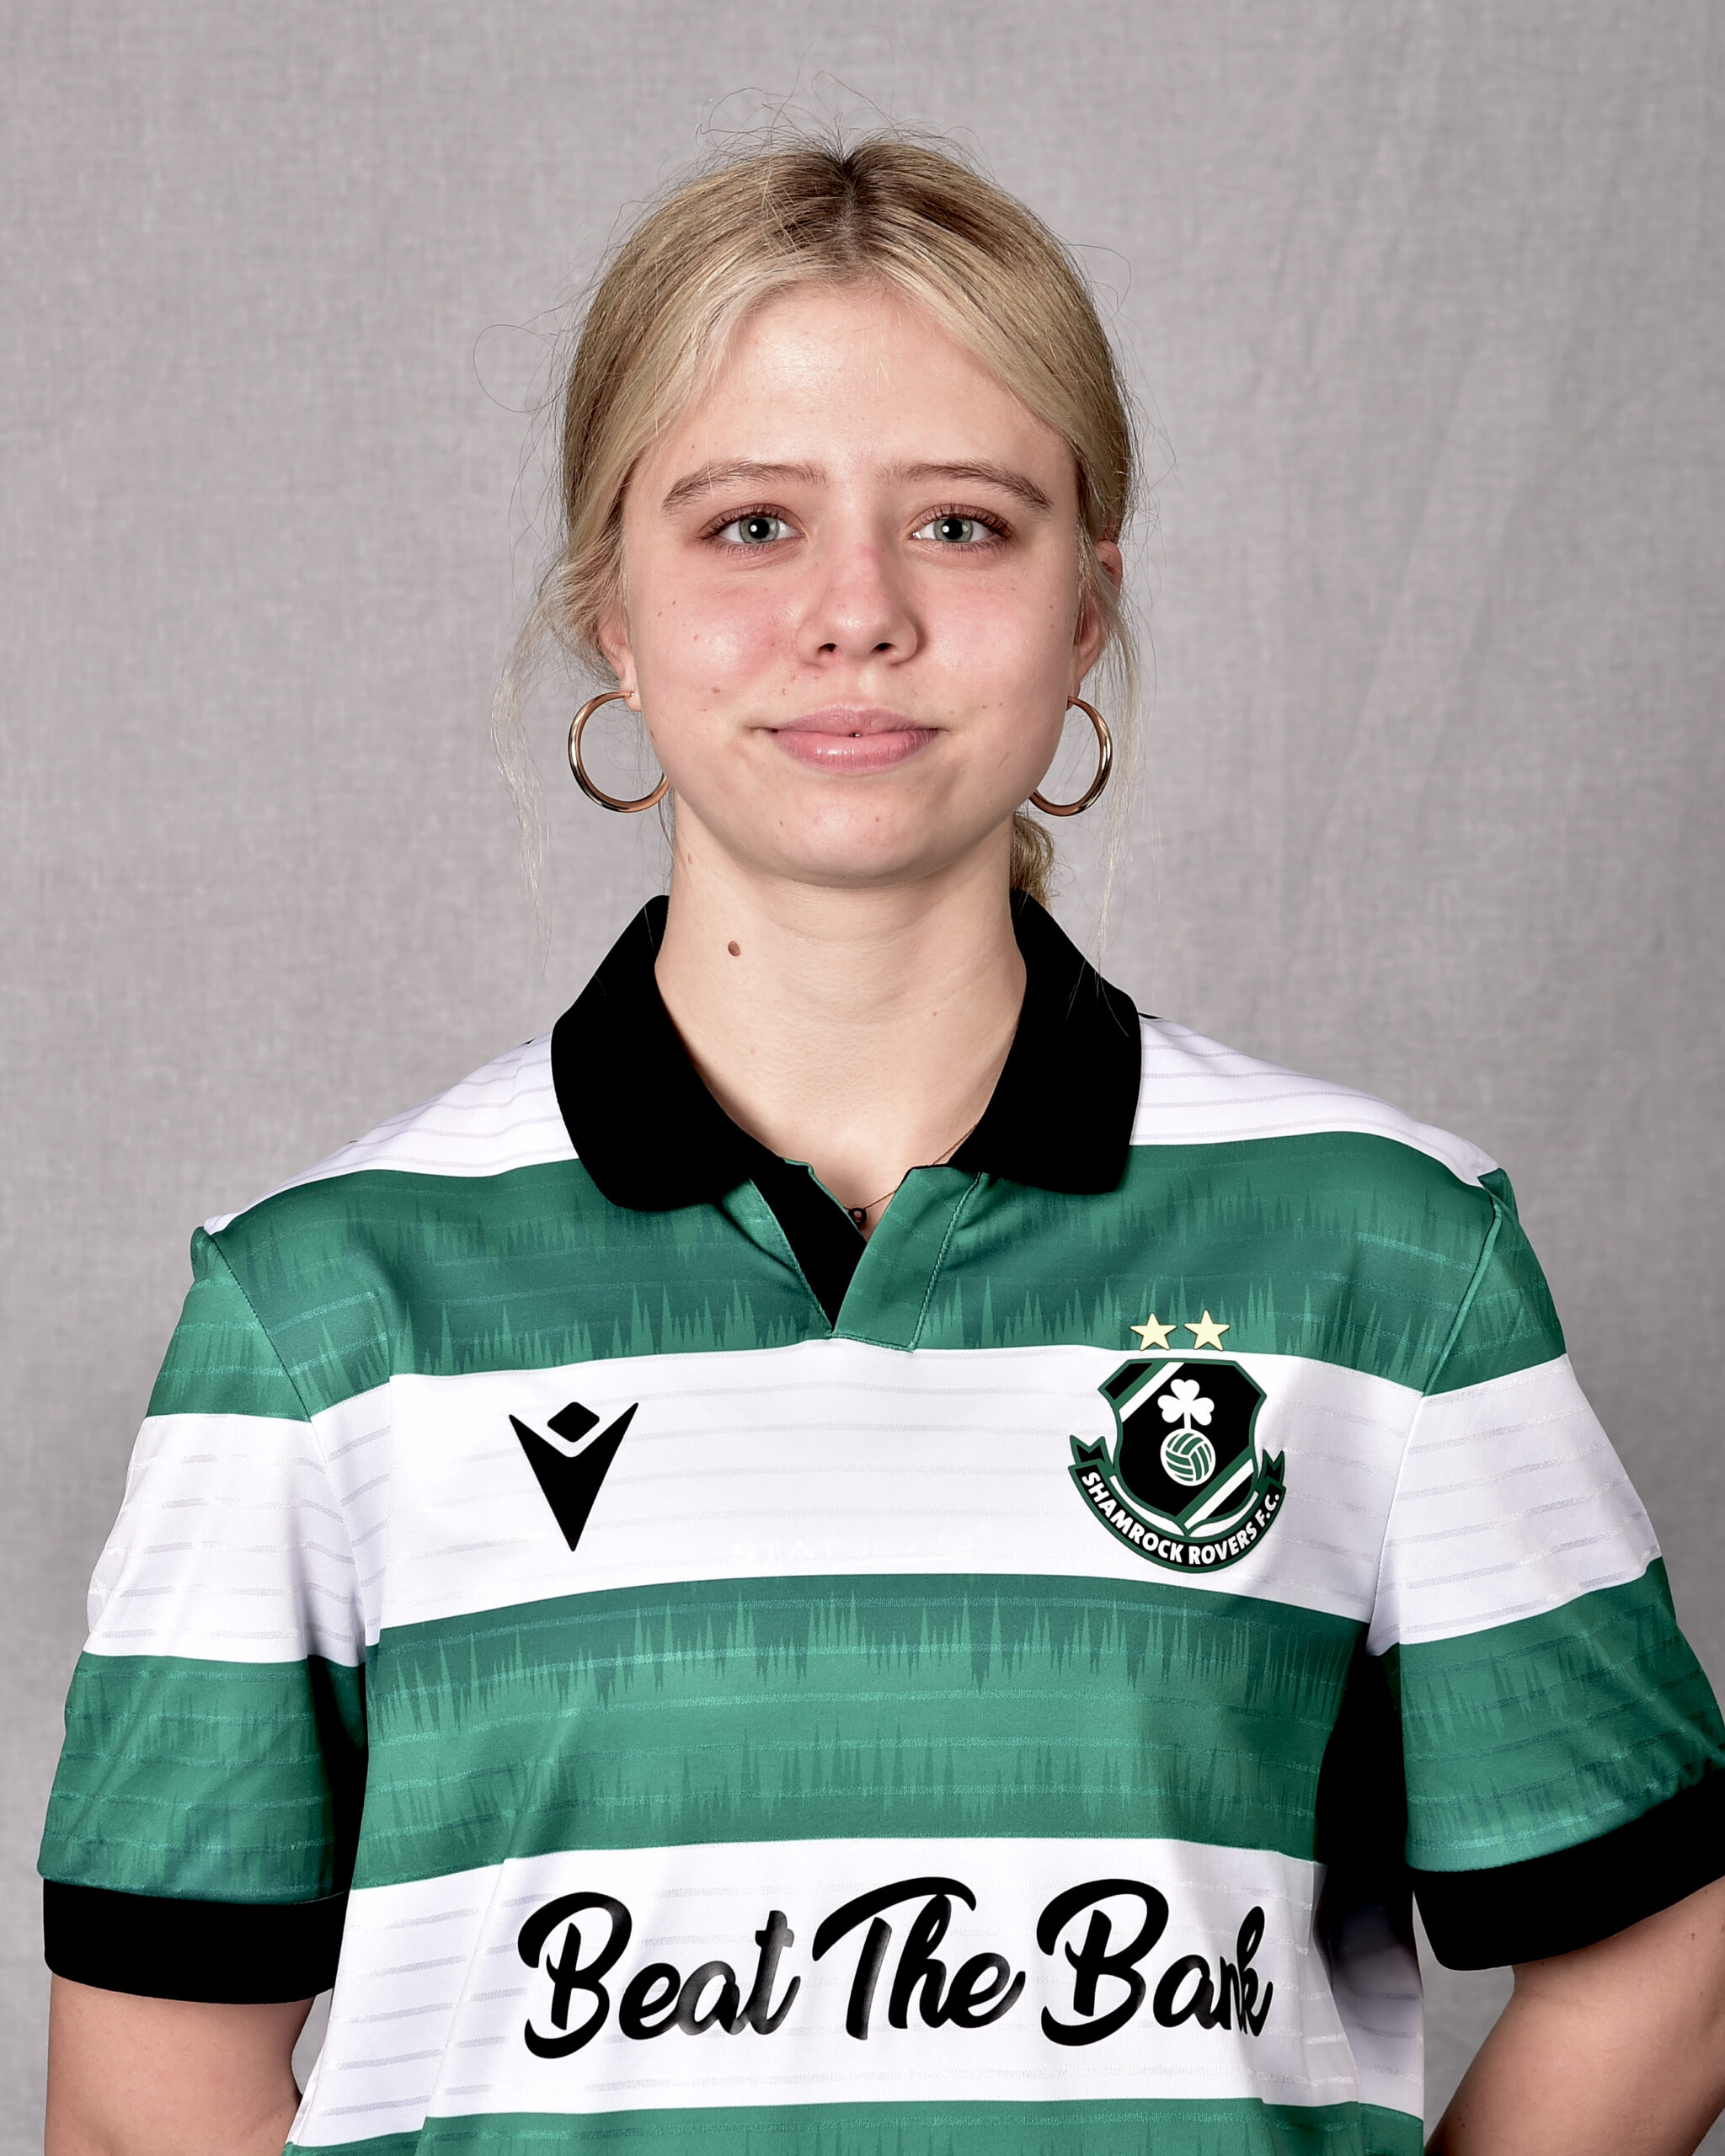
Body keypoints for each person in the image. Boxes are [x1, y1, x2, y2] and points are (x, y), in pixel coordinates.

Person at [39, 134, 1725, 2156]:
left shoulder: (1385, 1258)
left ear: (1088, 606)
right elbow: (149, 2079)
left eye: (962, 521)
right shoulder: (323, 1306)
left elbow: (1666, 1942)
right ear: (608, 605)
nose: (857, 614)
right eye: (749, 522)